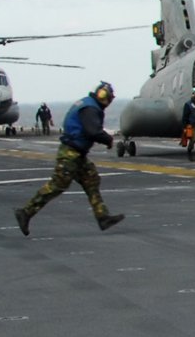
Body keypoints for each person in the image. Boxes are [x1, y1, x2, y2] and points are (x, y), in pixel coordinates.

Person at [14, 82, 125, 235]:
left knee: (91, 179)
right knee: (57, 185)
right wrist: (108, 139)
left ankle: (102, 216)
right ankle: (25, 212)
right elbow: (93, 131)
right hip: (70, 153)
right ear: (104, 96)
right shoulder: (91, 108)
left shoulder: (86, 103)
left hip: (77, 154)